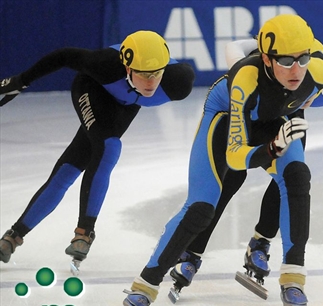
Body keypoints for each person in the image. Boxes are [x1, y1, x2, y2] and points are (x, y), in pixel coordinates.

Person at [117, 14, 323, 306]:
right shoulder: (245, 78)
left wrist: (290, 123)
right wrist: (272, 149)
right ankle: (145, 286)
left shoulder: (321, 68)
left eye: (302, 59)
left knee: (298, 178)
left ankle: (293, 277)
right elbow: (236, 155)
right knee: (201, 208)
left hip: (277, 119)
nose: (295, 70)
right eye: (286, 60)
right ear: (265, 58)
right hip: (225, 117)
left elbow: (318, 88)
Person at [169, 38, 323, 298]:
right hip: (250, 107)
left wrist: (303, 98)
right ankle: (193, 250)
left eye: (312, 92)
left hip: (285, 114)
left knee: (290, 178)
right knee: (230, 177)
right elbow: (234, 50)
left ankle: (261, 242)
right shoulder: (261, 57)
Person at [0, 31, 195, 271]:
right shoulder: (104, 65)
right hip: (91, 88)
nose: (151, 82)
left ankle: (13, 236)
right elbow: (63, 56)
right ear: (126, 68)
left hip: (126, 104)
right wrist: (20, 81)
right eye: (144, 75)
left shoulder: (178, 82)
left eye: (156, 74)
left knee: (69, 169)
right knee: (109, 146)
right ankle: (85, 232)